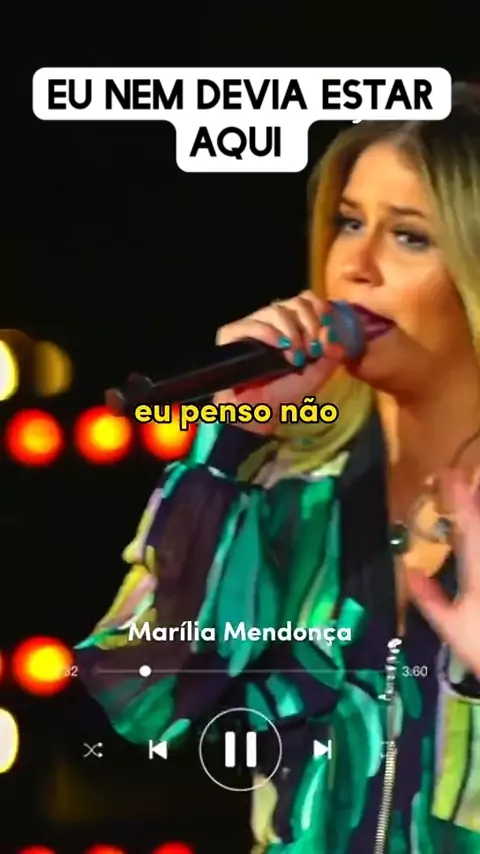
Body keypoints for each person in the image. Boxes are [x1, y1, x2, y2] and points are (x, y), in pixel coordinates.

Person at [76, 82, 480, 853]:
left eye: (409, 236)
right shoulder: (280, 493)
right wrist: (231, 438)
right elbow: (137, 705)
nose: (355, 265)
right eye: (349, 223)